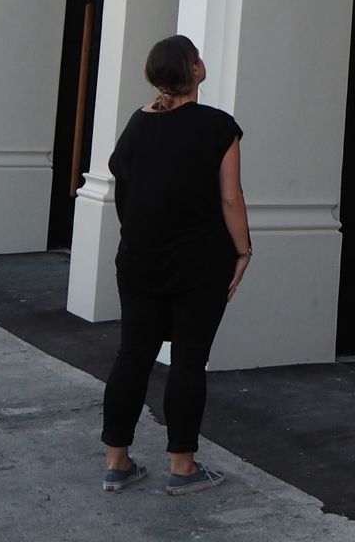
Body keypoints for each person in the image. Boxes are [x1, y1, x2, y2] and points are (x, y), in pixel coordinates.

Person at [98, 34, 252, 495]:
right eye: (198, 58)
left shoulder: (136, 125)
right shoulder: (218, 126)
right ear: (195, 71)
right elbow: (231, 197)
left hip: (141, 258)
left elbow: (123, 184)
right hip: (201, 262)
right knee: (188, 359)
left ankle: (116, 461)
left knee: (133, 355)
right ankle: (182, 466)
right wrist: (244, 251)